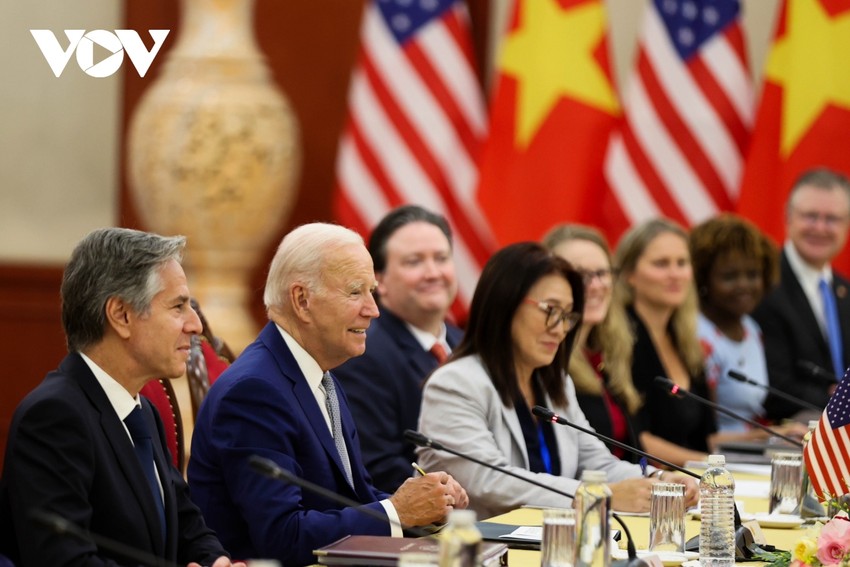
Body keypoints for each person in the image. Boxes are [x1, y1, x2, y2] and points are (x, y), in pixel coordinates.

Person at [188, 223, 468, 567]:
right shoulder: (254, 392)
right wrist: (397, 512)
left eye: (372, 291)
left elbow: (353, 498)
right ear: (302, 301)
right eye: (355, 293)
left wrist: (426, 507)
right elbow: (283, 537)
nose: (373, 309)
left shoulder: (320, 373)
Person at [0, 227, 242, 567]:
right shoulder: (53, 417)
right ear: (121, 316)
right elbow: (64, 560)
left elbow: (188, 524)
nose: (195, 325)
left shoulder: (142, 411)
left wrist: (213, 559)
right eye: (178, 306)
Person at [416, 242, 698, 520]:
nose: (561, 329)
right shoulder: (455, 384)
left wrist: (658, 479)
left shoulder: (556, 383)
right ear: (505, 304)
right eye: (551, 311)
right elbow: (490, 481)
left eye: (568, 316)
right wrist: (600, 496)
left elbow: (597, 463)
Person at [334, 205, 463, 492]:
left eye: (441, 258)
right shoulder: (364, 352)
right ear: (378, 280)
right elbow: (378, 467)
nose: (433, 273)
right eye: (414, 262)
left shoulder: (467, 343)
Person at [611, 219, 716, 468]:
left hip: (693, 484)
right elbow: (637, 439)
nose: (675, 274)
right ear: (630, 274)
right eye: (661, 264)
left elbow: (706, 438)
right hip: (650, 485)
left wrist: (764, 437)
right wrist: (712, 463)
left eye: (682, 263)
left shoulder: (686, 341)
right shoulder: (618, 340)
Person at [753, 168, 850, 419]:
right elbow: (774, 387)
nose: (820, 227)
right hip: (789, 437)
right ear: (788, 217)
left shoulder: (844, 290)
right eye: (810, 216)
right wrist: (839, 401)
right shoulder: (761, 284)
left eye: (832, 219)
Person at [543, 224, 642, 461]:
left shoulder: (607, 352)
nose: (596, 285)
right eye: (580, 275)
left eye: (602, 273)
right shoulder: (547, 359)